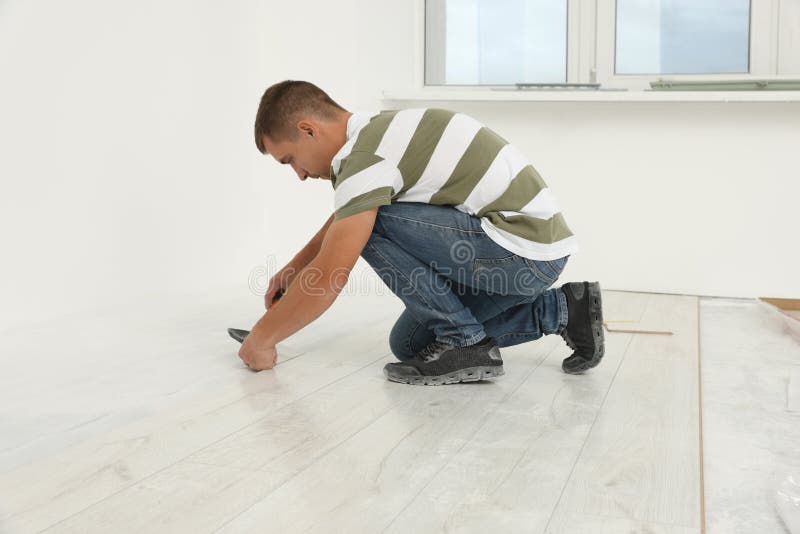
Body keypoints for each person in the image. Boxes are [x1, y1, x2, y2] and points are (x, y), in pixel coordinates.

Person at [238, 79, 604, 384]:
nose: (299, 174)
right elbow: (343, 220)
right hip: (532, 256)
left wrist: (262, 338)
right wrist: (293, 269)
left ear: (308, 129)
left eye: (290, 160)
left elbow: (332, 273)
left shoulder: (365, 158)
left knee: (371, 222)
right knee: (412, 345)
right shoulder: (376, 137)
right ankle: (563, 311)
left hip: (516, 254)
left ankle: (465, 342)